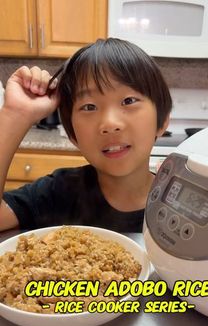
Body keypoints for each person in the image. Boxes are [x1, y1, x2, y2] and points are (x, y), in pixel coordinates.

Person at [0, 38, 172, 233]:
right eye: (89, 106)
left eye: (128, 100)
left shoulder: (183, 206)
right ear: (73, 135)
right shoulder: (60, 192)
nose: (110, 124)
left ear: (163, 120)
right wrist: (15, 114)